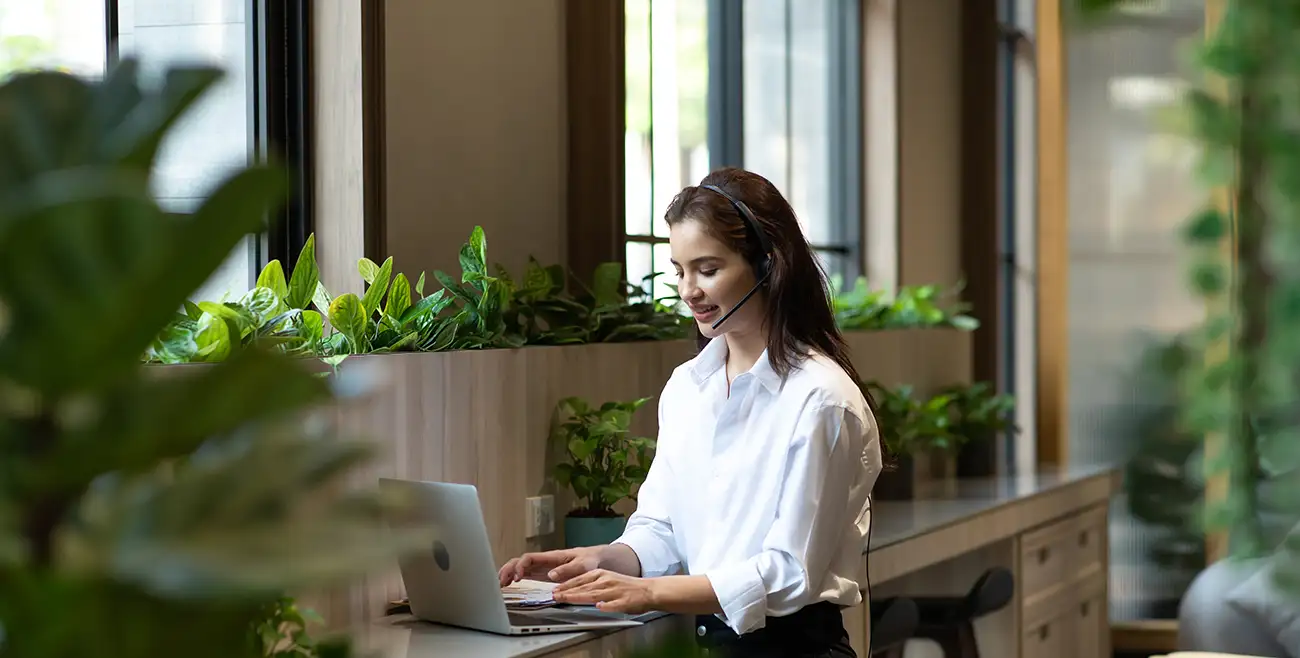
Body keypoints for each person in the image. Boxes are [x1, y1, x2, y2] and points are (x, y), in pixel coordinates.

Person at [498, 167, 883, 657]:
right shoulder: (687, 388)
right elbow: (661, 528)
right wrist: (606, 559)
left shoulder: (821, 399)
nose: (688, 290)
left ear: (767, 265)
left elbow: (790, 573)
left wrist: (650, 593)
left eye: (707, 269)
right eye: (679, 270)